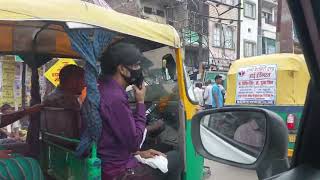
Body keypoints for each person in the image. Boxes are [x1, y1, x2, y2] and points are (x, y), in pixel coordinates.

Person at [98, 42, 181, 180]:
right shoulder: (115, 98)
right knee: (176, 159)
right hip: (120, 171)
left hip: (111, 159)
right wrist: (140, 102)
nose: (139, 69)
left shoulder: (102, 87)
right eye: (136, 65)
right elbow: (135, 141)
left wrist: (138, 153)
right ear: (122, 69)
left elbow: (118, 139)